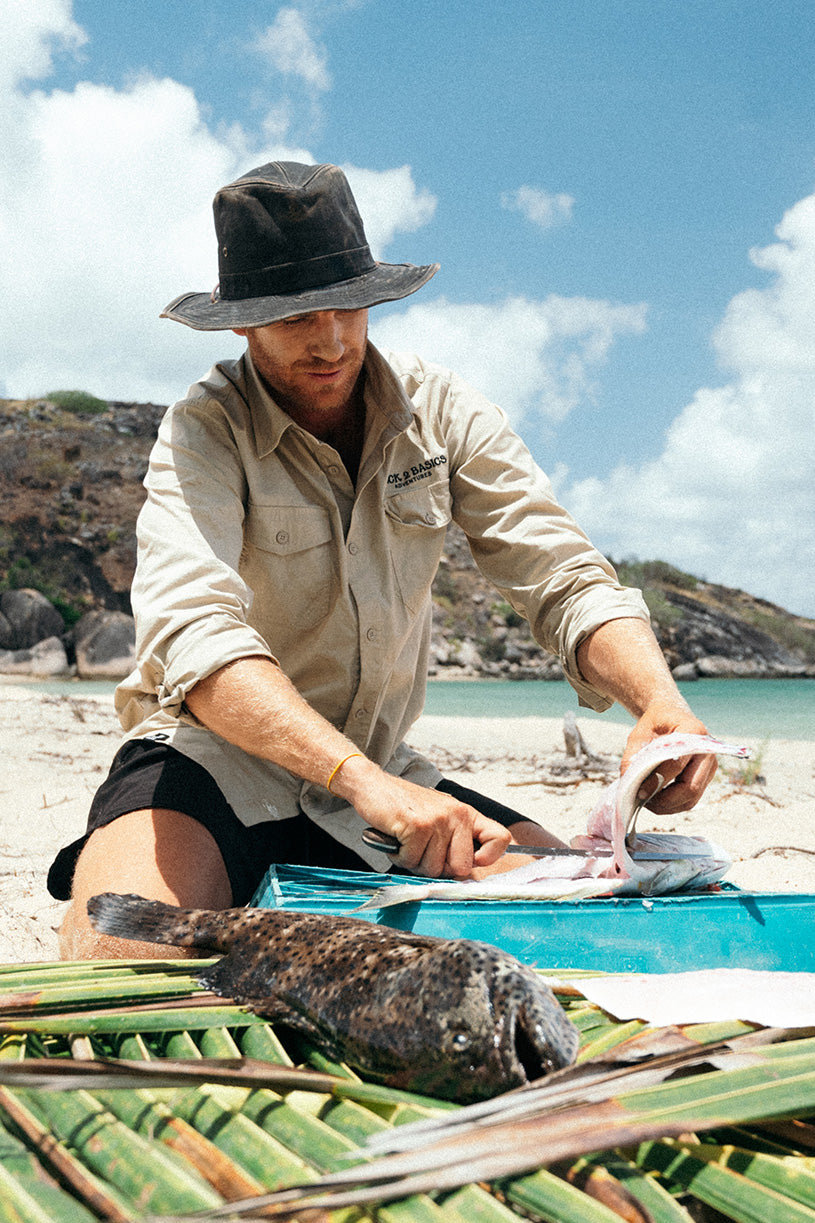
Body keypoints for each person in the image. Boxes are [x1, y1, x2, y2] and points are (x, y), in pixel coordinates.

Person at [49, 161, 715, 960]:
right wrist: (363, 782)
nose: (329, 340)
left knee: (586, 920)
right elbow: (197, 637)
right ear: (242, 323)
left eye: (346, 306)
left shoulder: (443, 412)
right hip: (216, 764)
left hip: (386, 779)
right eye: (296, 316)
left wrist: (658, 698)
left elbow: (561, 574)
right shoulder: (203, 430)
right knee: (121, 952)